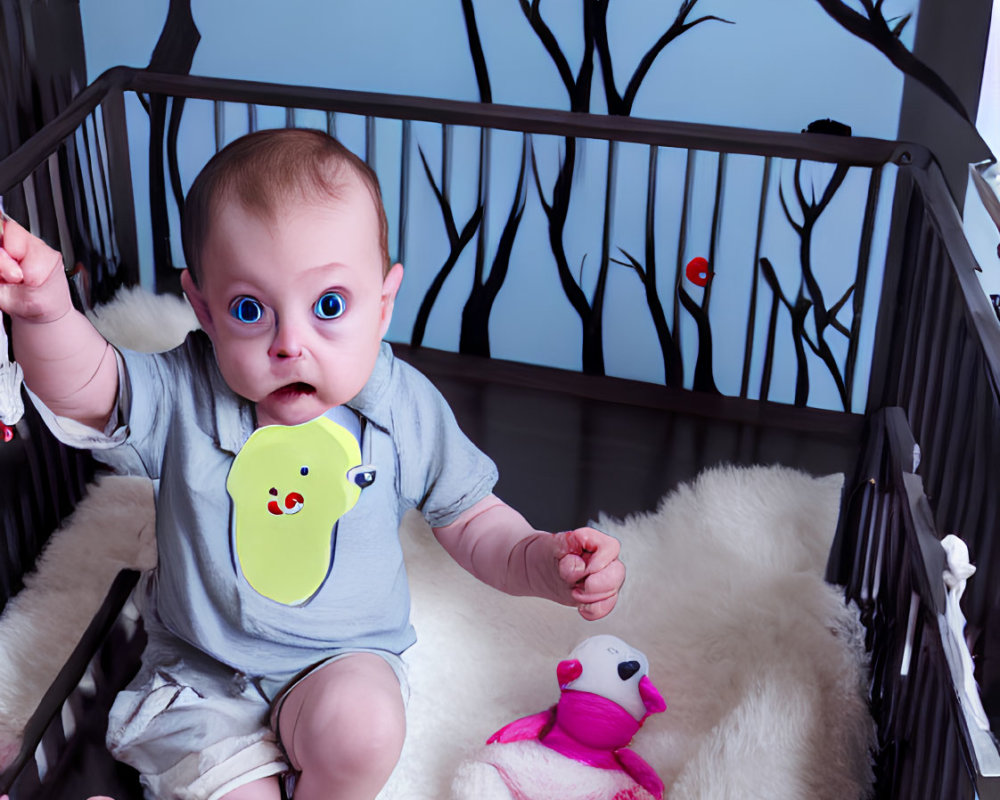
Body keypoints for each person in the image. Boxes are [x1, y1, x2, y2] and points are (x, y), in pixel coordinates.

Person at [0, 128, 625, 800]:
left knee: (365, 729)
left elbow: (471, 519)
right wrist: (45, 312)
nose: (290, 344)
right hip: (205, 677)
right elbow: (90, 388)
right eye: (250, 310)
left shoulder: (402, 409)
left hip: (340, 661)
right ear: (204, 310)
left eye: (329, 306)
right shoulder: (185, 393)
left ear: (382, 306)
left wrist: (541, 559)